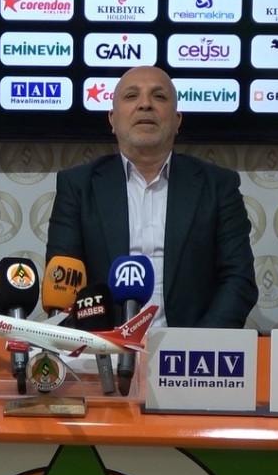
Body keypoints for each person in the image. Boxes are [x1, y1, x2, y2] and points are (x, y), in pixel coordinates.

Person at [45, 66, 257, 328]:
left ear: (177, 120)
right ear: (112, 119)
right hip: (101, 344)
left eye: (159, 96)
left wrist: (198, 344)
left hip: (191, 345)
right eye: (131, 96)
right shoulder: (77, 186)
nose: (145, 104)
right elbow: (63, 282)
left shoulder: (218, 186)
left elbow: (238, 280)